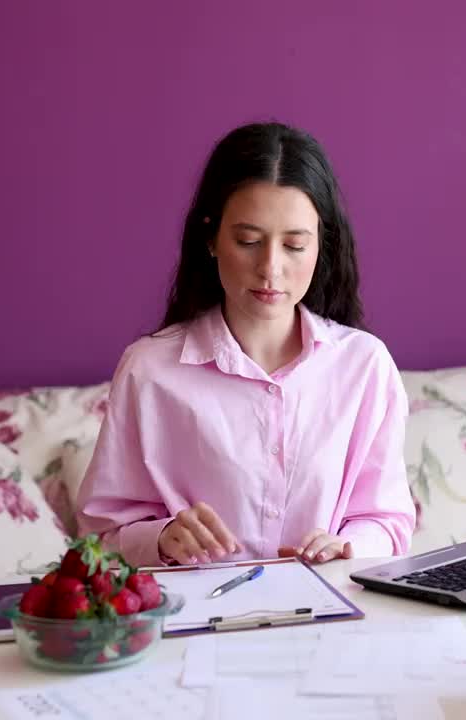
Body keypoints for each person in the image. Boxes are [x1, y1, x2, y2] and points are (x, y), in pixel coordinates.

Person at [75, 122, 415, 568]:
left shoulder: (364, 365)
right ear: (211, 238)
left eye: (295, 245)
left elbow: (387, 519)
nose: (270, 269)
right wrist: (161, 539)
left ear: (321, 247)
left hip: (332, 618)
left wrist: (348, 547)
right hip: (195, 626)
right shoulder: (151, 369)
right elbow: (100, 536)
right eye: (248, 241)